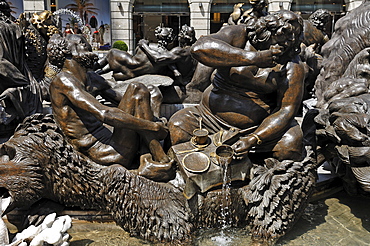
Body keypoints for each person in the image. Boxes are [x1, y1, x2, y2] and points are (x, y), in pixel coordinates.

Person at [168, 10, 305, 162]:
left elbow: (286, 110)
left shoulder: (292, 64)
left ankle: (260, 173)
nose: (289, 41)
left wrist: (254, 138)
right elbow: (199, 48)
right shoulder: (240, 34)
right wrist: (253, 58)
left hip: (257, 128)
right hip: (208, 118)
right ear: (269, 28)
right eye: (285, 33)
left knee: (292, 143)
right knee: (177, 126)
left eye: (294, 36)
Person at [47, 34, 172, 178]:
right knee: (137, 89)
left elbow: (124, 99)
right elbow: (105, 114)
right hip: (103, 153)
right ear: (68, 52)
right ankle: (159, 158)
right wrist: (154, 127)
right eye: (82, 43)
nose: (88, 46)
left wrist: (154, 95)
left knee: (148, 91)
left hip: (114, 142)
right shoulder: (63, 81)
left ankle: (146, 159)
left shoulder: (91, 78)